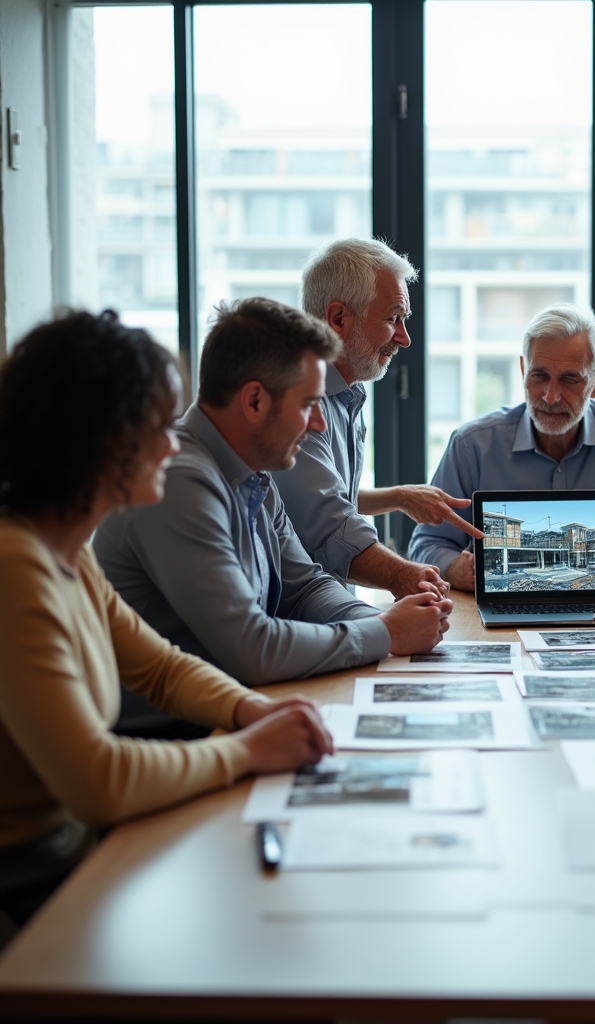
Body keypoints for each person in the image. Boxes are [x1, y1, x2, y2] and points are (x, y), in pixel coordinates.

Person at [0, 311, 333, 941]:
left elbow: (160, 667)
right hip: (31, 886)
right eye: (155, 426)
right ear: (98, 441)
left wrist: (249, 710)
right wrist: (246, 749)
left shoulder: (67, 555)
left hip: (74, 858)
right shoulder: (16, 568)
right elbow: (98, 781)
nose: (170, 444)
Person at [94, 298, 452, 702]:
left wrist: (389, 622)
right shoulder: (178, 480)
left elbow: (306, 587)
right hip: (178, 731)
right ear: (254, 401)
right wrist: (385, 632)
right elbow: (252, 647)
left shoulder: (252, 471)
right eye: (309, 404)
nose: (319, 424)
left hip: (235, 710)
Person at [406, 303, 595, 590]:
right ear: (523, 370)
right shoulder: (472, 444)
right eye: (539, 375)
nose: (550, 397)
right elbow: (429, 542)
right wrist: (454, 570)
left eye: (569, 379)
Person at [276, 238, 483, 599]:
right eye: (392, 319)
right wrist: (403, 575)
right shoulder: (299, 404)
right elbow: (330, 527)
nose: (404, 338)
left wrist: (400, 497)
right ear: (338, 319)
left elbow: (326, 494)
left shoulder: (348, 393)